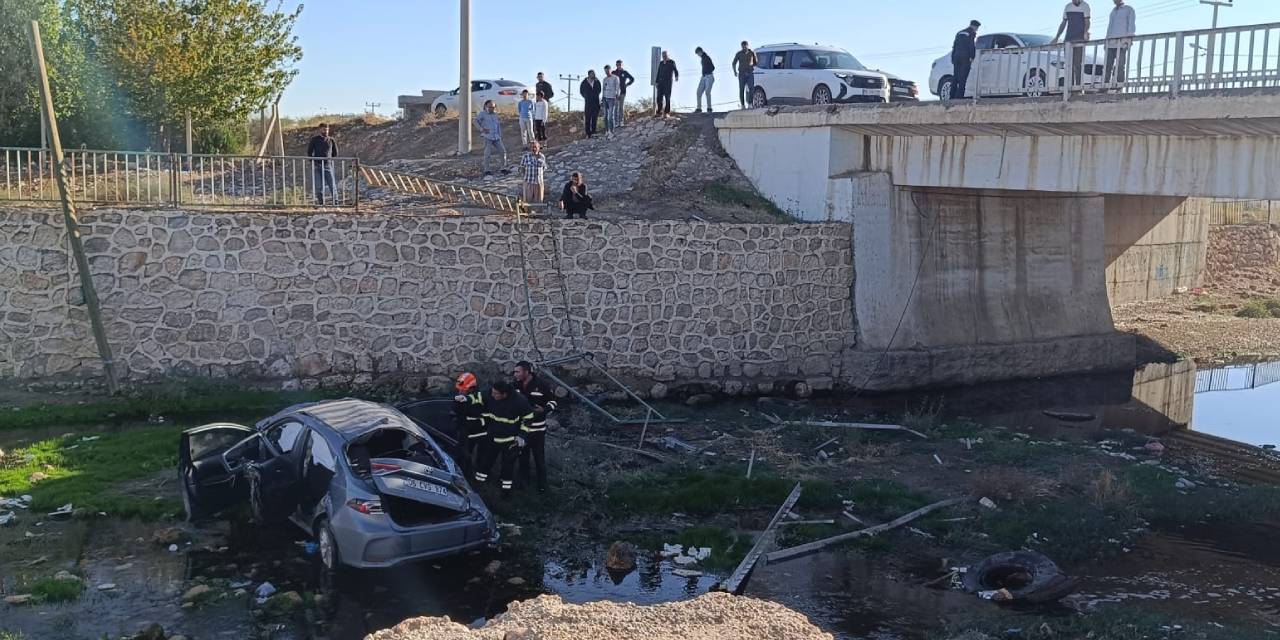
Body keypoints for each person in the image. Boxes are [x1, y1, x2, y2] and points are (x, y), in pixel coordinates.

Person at [473, 381, 533, 497]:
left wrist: (522, 436)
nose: (492, 395)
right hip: (492, 437)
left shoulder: (520, 401)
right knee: (484, 463)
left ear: (504, 394)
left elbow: (528, 418)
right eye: (492, 392)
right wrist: (464, 399)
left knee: (507, 467)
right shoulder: (490, 394)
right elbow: (476, 397)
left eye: (496, 394)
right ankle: (479, 487)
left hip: (510, 441)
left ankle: (506, 493)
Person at [513, 361, 558, 493]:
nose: (515, 374)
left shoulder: (541, 385)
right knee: (523, 459)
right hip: (522, 431)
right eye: (515, 371)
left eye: (518, 371)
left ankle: (542, 487)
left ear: (527, 372)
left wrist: (544, 410)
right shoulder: (515, 385)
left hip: (537, 430)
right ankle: (523, 485)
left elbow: (553, 402)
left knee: (539, 460)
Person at [452, 372, 486, 476]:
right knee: (461, 454)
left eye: (463, 390)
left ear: (471, 388)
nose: (460, 391)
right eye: (459, 389)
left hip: (476, 432)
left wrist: (464, 401)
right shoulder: (461, 397)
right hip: (464, 431)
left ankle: (470, 476)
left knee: (471, 456)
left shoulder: (478, 398)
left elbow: (472, 407)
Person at [1053, 0, 1092, 88]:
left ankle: (1078, 88)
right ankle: (1069, 87)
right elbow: (1063, 23)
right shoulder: (1068, 7)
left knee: (1078, 65)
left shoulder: (1085, 6)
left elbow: (1087, 21)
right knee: (1068, 65)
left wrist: (1085, 32)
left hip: (1079, 40)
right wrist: (1056, 37)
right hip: (1068, 39)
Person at [1104, 0, 1136, 88]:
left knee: (1120, 65)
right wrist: (1106, 41)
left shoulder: (1129, 9)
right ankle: (1105, 86)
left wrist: (1128, 40)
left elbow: (1131, 25)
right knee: (1107, 66)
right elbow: (1109, 27)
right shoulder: (1113, 11)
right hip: (1110, 43)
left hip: (1122, 43)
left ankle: (1119, 86)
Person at [306, 123, 339, 205]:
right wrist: (313, 161)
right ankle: (321, 203)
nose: (326, 131)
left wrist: (329, 159)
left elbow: (335, 153)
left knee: (332, 185)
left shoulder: (331, 140)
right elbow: (309, 152)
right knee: (318, 186)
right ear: (320, 129)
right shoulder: (315, 139)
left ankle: (336, 203)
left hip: (328, 165)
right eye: (324, 129)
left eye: (327, 129)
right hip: (317, 165)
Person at [474, 101, 506, 177]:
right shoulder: (482, 114)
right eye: (490, 107)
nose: (492, 108)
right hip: (487, 136)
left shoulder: (496, 115)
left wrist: (499, 135)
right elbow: (475, 121)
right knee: (487, 153)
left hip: (496, 137)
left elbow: (497, 125)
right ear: (486, 106)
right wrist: (481, 129)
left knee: (502, 151)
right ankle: (487, 170)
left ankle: (503, 168)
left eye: (493, 107)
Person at [950, 21, 980, 100]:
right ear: (974, 27)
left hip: (956, 56)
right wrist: (972, 56)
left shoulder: (959, 32)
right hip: (965, 57)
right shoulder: (971, 33)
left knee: (955, 76)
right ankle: (959, 97)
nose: (976, 30)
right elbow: (971, 45)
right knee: (963, 77)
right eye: (977, 28)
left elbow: (954, 46)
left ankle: (951, 96)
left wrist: (953, 57)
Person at [520, 141, 548, 206]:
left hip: (539, 182)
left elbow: (544, 168)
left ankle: (538, 215)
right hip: (528, 181)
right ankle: (527, 214)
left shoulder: (542, 157)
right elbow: (522, 168)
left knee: (539, 201)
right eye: (532, 147)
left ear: (538, 148)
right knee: (527, 201)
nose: (534, 149)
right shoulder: (526, 157)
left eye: (535, 147)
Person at [732, 41, 758, 109]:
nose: (744, 47)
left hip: (750, 73)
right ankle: (742, 105)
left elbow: (756, 62)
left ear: (747, 45)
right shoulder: (739, 53)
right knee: (741, 89)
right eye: (743, 46)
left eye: (745, 46)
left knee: (751, 89)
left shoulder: (752, 53)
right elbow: (734, 63)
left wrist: (750, 66)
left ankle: (750, 103)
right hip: (741, 74)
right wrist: (735, 72)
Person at [655, 50, 679, 118]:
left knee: (667, 97)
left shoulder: (671, 62)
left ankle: (667, 112)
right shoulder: (661, 63)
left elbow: (675, 70)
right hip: (660, 82)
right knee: (659, 97)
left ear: (668, 55)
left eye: (665, 55)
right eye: (663, 56)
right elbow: (658, 72)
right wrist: (656, 82)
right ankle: (659, 112)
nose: (664, 57)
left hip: (668, 83)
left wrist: (676, 76)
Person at [580, 70, 602, 138]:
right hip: (588, 103)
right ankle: (588, 133)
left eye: (594, 74)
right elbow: (581, 91)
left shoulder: (597, 81)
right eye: (592, 74)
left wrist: (595, 96)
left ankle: (593, 131)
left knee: (594, 118)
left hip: (596, 102)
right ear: (589, 74)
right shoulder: (584, 82)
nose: (593, 75)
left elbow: (599, 90)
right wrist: (586, 96)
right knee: (588, 118)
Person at [613, 60, 635, 125]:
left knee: (621, 107)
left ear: (622, 65)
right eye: (618, 64)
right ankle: (616, 122)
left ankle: (621, 121)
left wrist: (627, 84)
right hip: (615, 92)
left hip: (623, 91)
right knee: (615, 107)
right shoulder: (613, 72)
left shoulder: (625, 72)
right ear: (616, 65)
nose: (619, 66)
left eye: (620, 64)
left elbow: (632, 79)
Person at [695, 47, 716, 113]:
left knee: (707, 92)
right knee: (698, 92)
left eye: (698, 53)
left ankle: (709, 108)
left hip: (709, 76)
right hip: (703, 77)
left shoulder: (707, 57)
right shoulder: (702, 58)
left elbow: (713, 67)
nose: (698, 55)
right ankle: (699, 108)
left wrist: (707, 71)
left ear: (700, 51)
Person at [602, 64, 621, 135]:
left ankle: (612, 131)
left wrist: (617, 95)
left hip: (612, 99)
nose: (606, 72)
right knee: (605, 116)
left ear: (610, 70)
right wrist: (602, 98)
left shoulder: (615, 78)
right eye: (605, 71)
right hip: (605, 99)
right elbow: (603, 89)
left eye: (607, 71)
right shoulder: (604, 79)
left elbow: (617, 88)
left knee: (610, 116)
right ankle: (607, 131)